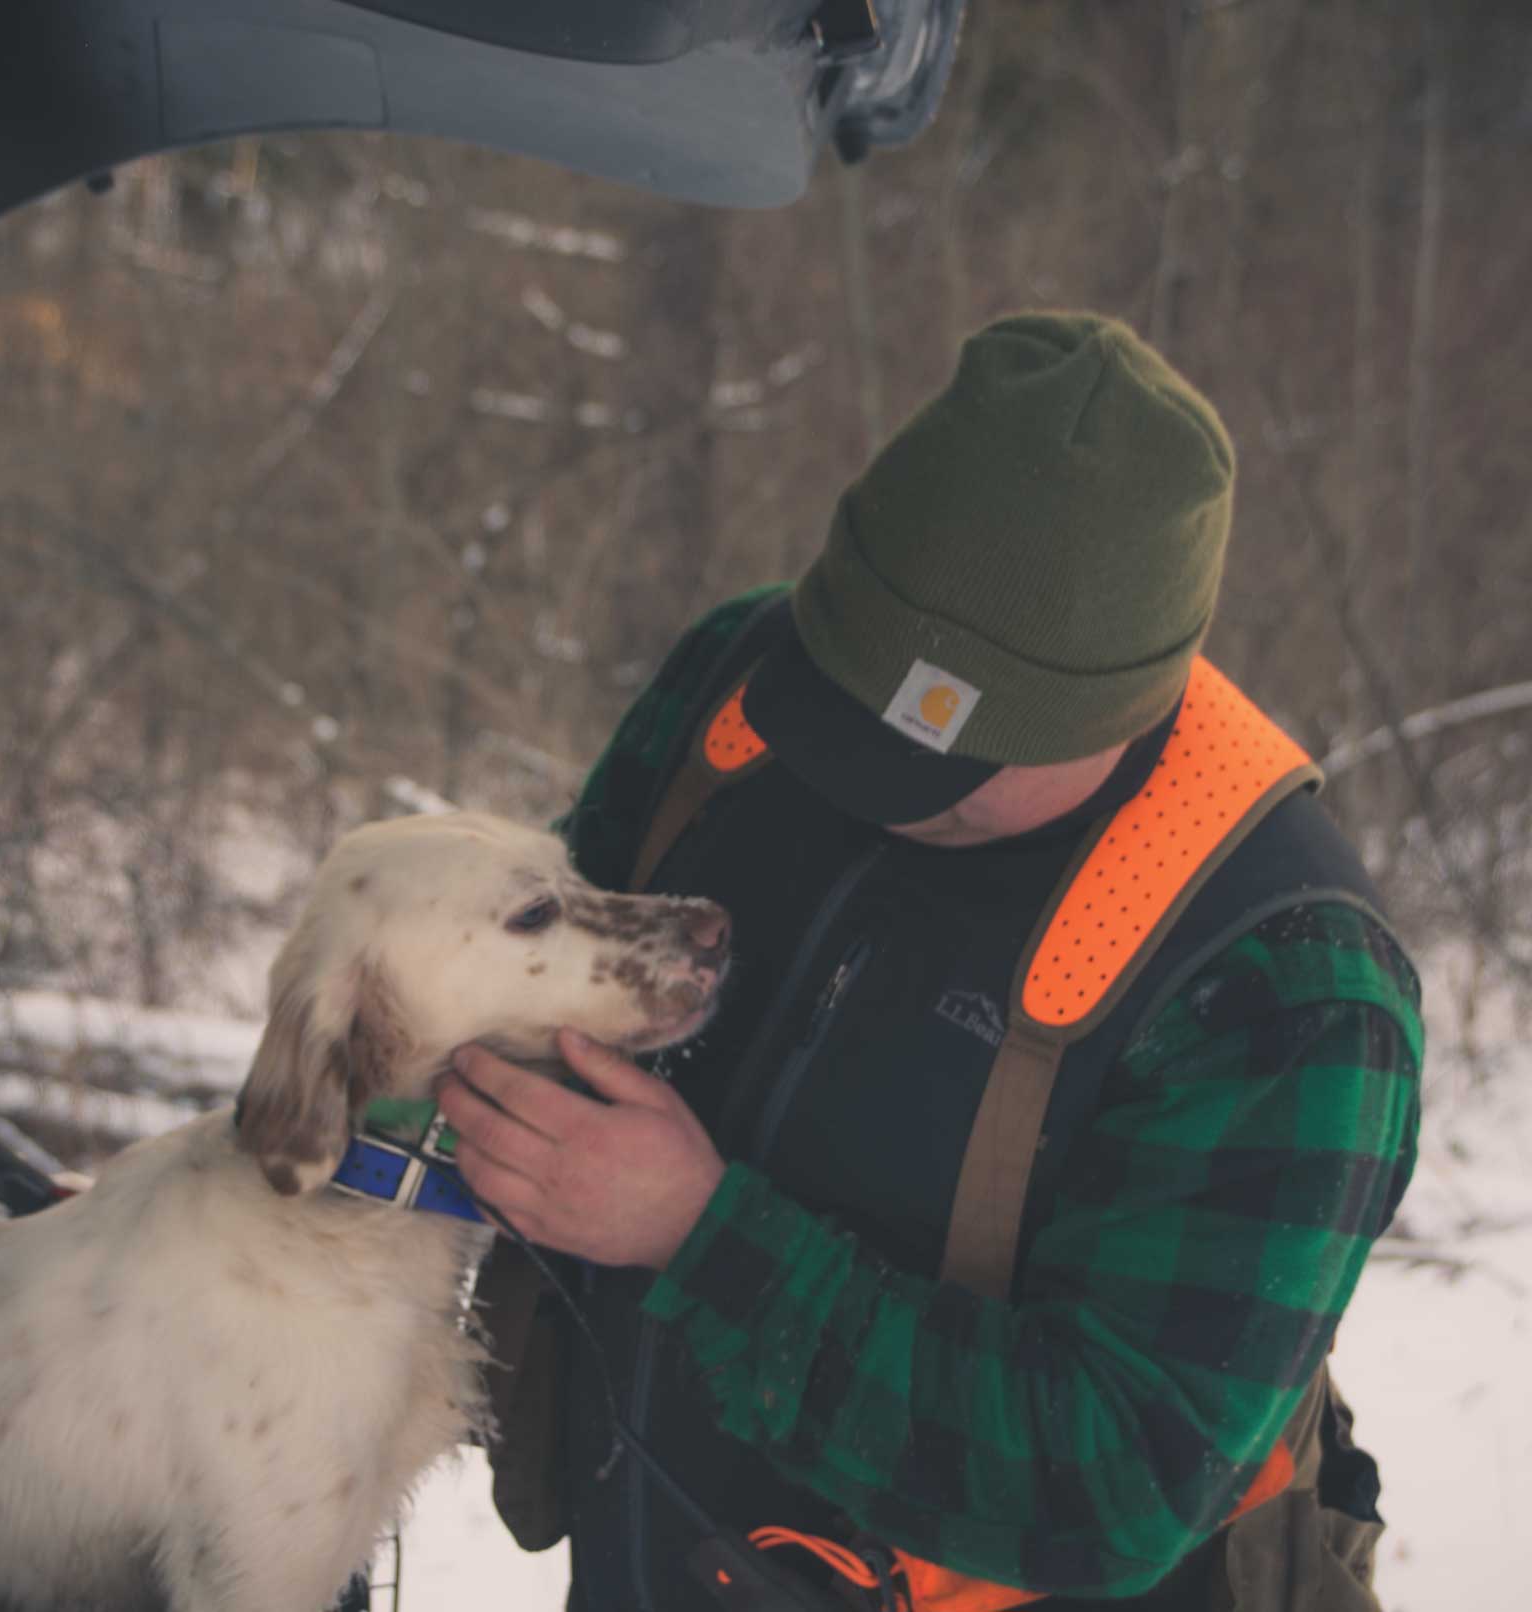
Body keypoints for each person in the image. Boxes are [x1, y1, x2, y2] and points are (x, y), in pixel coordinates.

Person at [436, 312, 1421, 1612]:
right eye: (830, 709)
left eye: (928, 771)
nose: (852, 785)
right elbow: (515, 992)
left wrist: (702, 1237)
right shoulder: (740, 684)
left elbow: (1116, 1484)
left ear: (1116, 710)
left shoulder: (1285, 983)